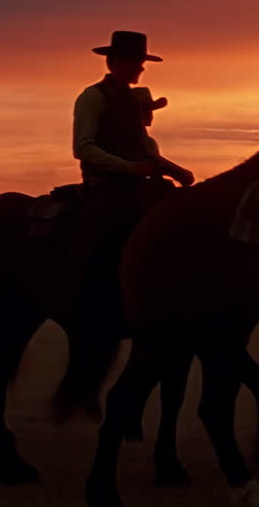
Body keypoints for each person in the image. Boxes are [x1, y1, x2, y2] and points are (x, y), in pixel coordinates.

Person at [68, 31, 193, 323]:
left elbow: (143, 150)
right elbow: (83, 148)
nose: (141, 67)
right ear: (114, 62)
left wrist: (174, 170)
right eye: (135, 62)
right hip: (107, 184)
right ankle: (105, 289)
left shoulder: (132, 103)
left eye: (141, 62)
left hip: (139, 183)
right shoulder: (92, 97)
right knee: (115, 228)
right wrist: (129, 168)